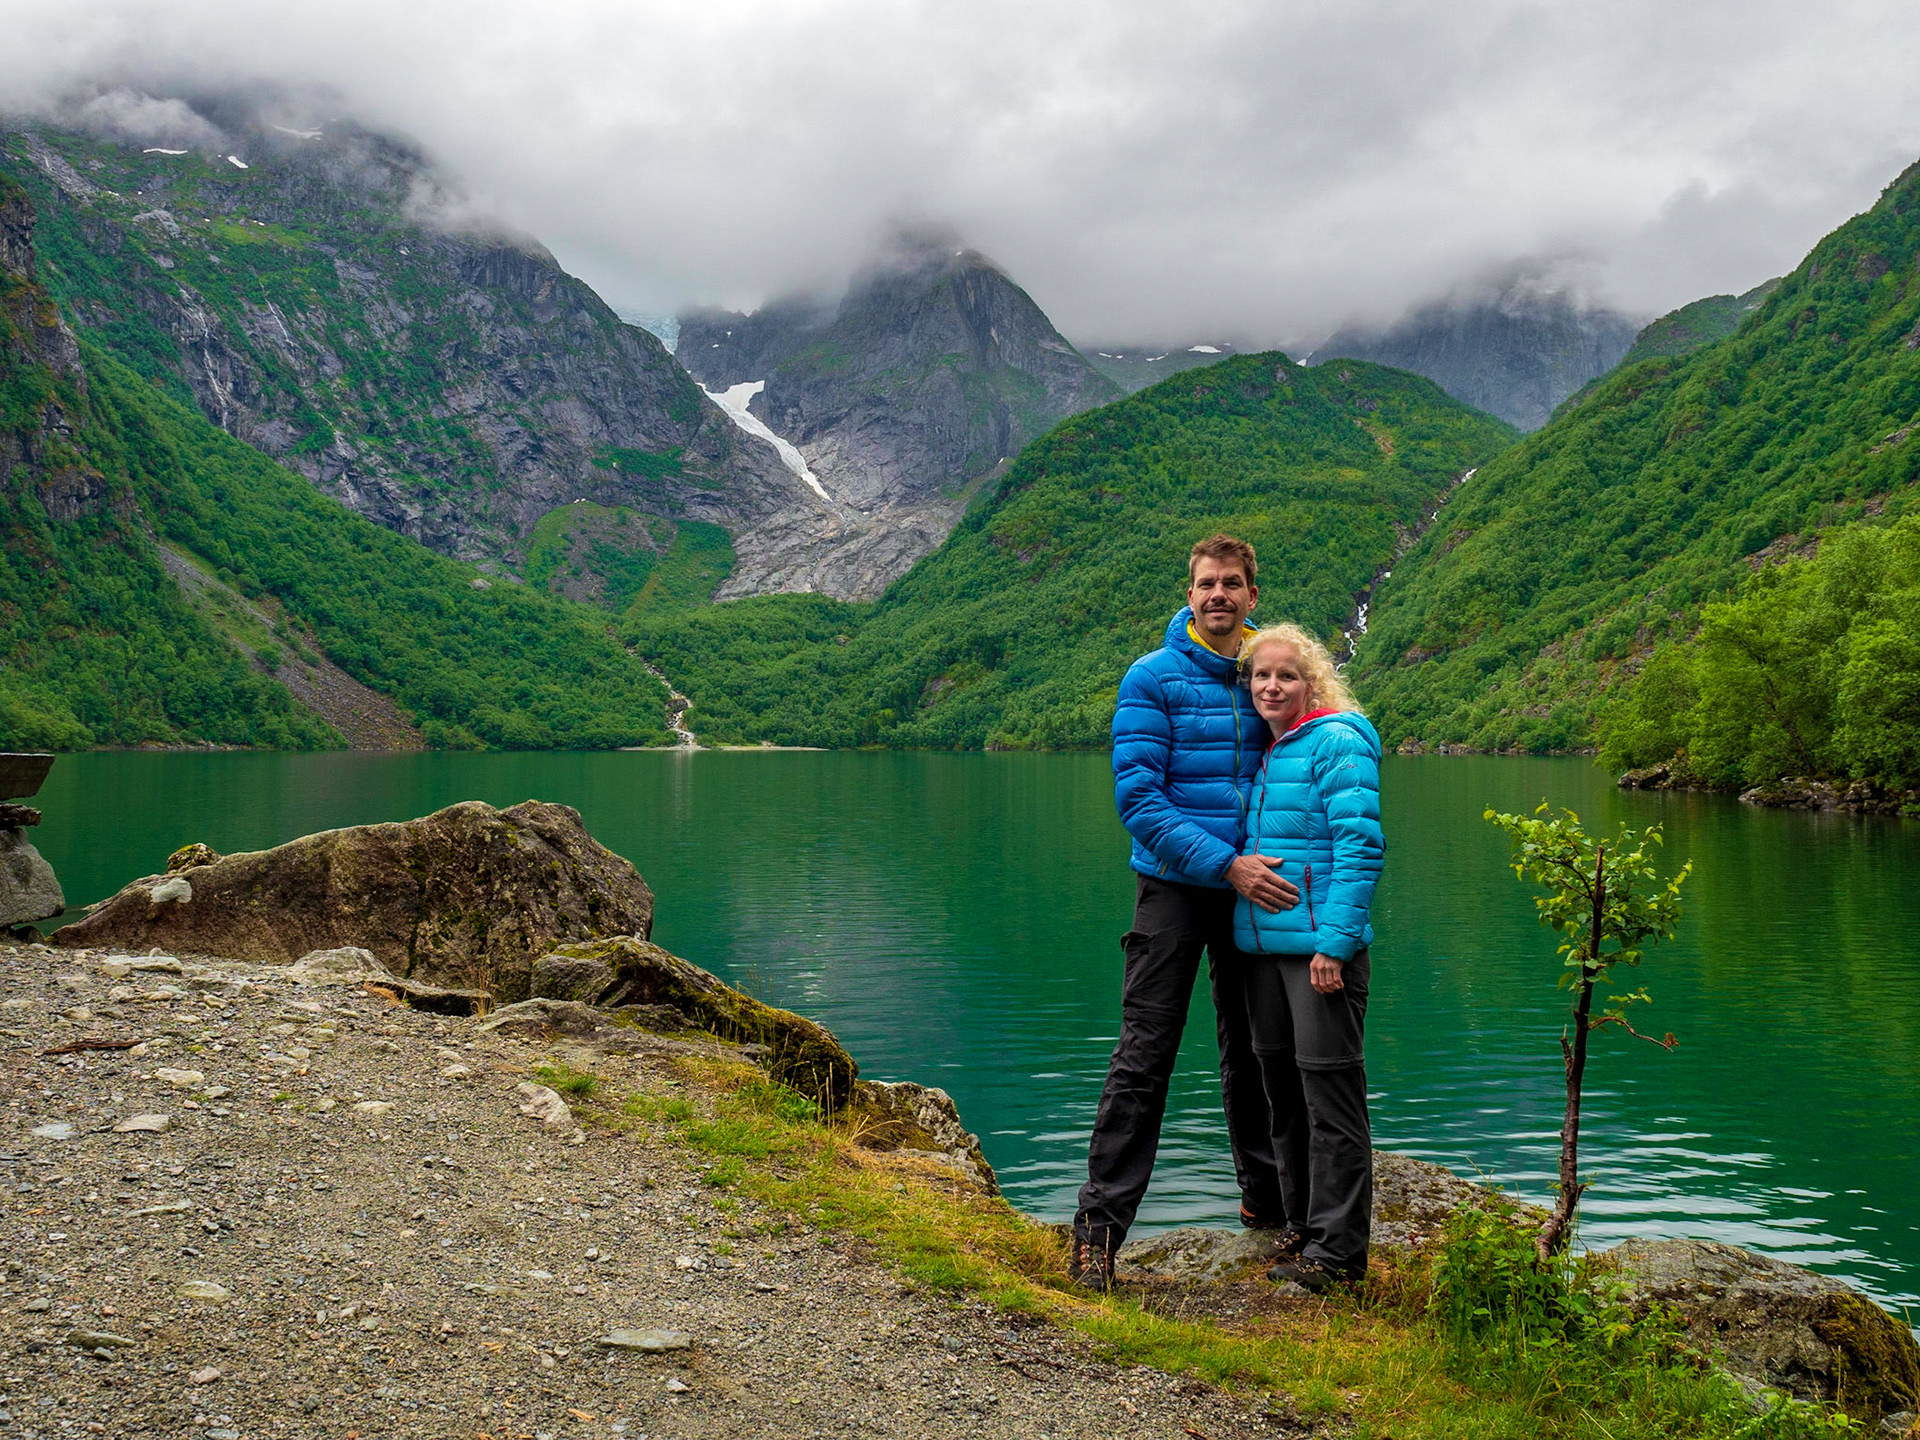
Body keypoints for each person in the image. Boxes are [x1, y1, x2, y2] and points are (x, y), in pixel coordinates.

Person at [1069, 534, 1302, 1291]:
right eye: (1207, 584)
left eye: (1233, 584)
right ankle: (1096, 1239)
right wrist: (1221, 862)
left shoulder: (1265, 679)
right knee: (1145, 1055)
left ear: (1252, 596)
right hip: (1174, 888)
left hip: (1250, 889)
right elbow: (1138, 799)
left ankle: (1267, 1210)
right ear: (1190, 592)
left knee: (1259, 1054)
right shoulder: (1153, 679)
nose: (1219, 596)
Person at [1232, 622, 1385, 1293]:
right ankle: (1300, 1229)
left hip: (1319, 956)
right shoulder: (1272, 749)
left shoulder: (1338, 741)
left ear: (1310, 681)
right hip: (1264, 951)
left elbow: (1361, 848)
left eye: (1285, 675)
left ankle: (1340, 1256)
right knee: (1283, 1096)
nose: (1271, 686)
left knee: (1330, 1098)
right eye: (1261, 676)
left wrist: (1335, 944)